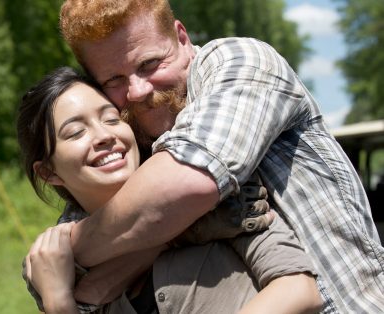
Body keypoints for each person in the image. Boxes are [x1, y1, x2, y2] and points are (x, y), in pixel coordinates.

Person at [57, 1, 384, 313]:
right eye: (113, 80)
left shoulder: (240, 61)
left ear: (182, 38)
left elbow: (188, 181)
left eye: (150, 64)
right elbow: (71, 244)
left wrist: (66, 255)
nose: (138, 91)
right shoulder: (127, 134)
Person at [18, 67, 322, 313]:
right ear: (48, 172)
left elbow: (300, 290)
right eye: (76, 132)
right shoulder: (59, 264)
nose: (103, 135)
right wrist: (59, 304)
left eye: (111, 118)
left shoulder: (211, 193)